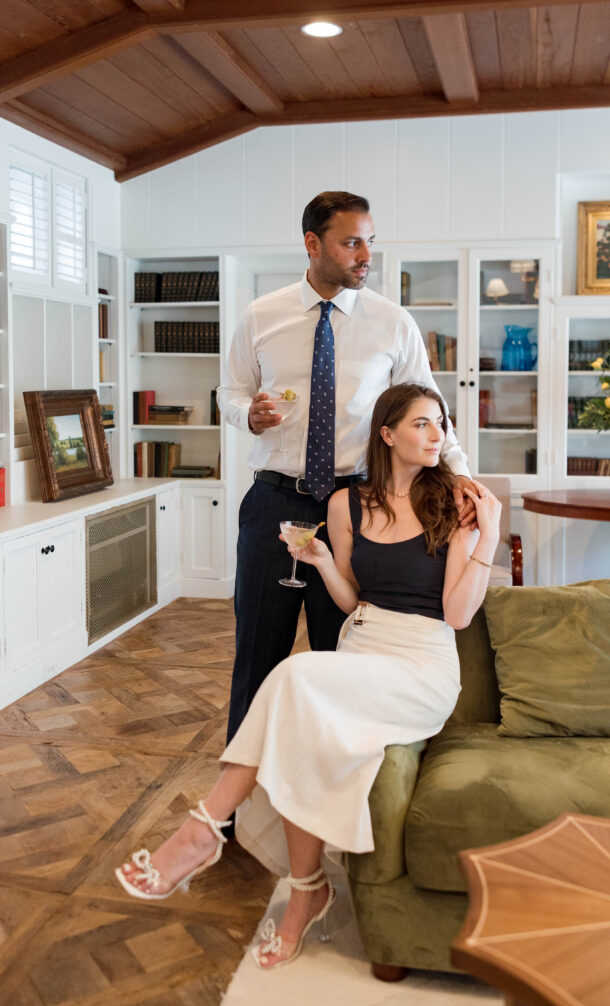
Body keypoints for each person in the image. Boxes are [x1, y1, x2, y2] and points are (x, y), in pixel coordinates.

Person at [116, 382, 501, 970]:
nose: (437, 435)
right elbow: (352, 602)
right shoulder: (348, 505)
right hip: (364, 645)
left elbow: (456, 614)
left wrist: (489, 535)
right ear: (387, 432)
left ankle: (203, 828)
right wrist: (321, 561)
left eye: (441, 424)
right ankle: (306, 892)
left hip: (422, 665)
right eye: (422, 424)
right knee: (304, 728)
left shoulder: (458, 503)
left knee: (294, 677)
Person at [217, 190, 476, 745]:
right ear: (313, 245)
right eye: (351, 242)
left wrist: (462, 477)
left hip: (360, 508)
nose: (365, 255)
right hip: (275, 504)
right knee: (257, 652)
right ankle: (238, 810)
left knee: (342, 654)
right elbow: (229, 391)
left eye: (370, 242)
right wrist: (247, 415)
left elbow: (431, 409)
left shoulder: (392, 323)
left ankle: (325, 779)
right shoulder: (261, 316)